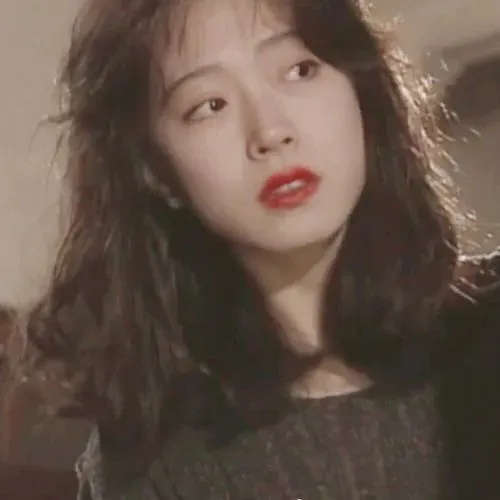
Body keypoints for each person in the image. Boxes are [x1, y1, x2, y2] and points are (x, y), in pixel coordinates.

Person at [5, 0, 500, 498]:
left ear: (360, 89)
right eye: (210, 105)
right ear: (154, 171)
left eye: (300, 69)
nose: (270, 131)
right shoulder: (154, 466)